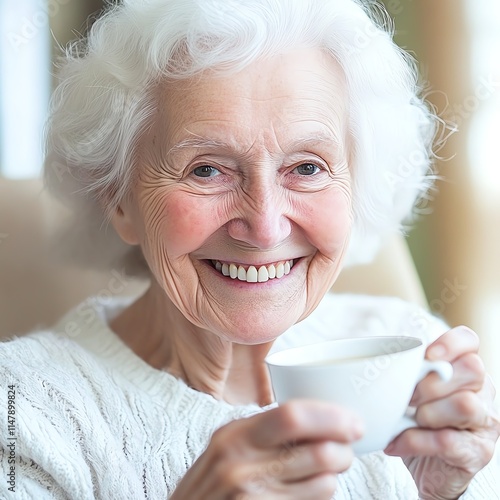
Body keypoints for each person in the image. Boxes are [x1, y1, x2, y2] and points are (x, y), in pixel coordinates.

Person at [1, 0, 499, 498]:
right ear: (119, 200)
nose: (264, 227)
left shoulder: (405, 349)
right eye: (206, 169)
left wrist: (440, 493)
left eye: (307, 168)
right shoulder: (19, 410)